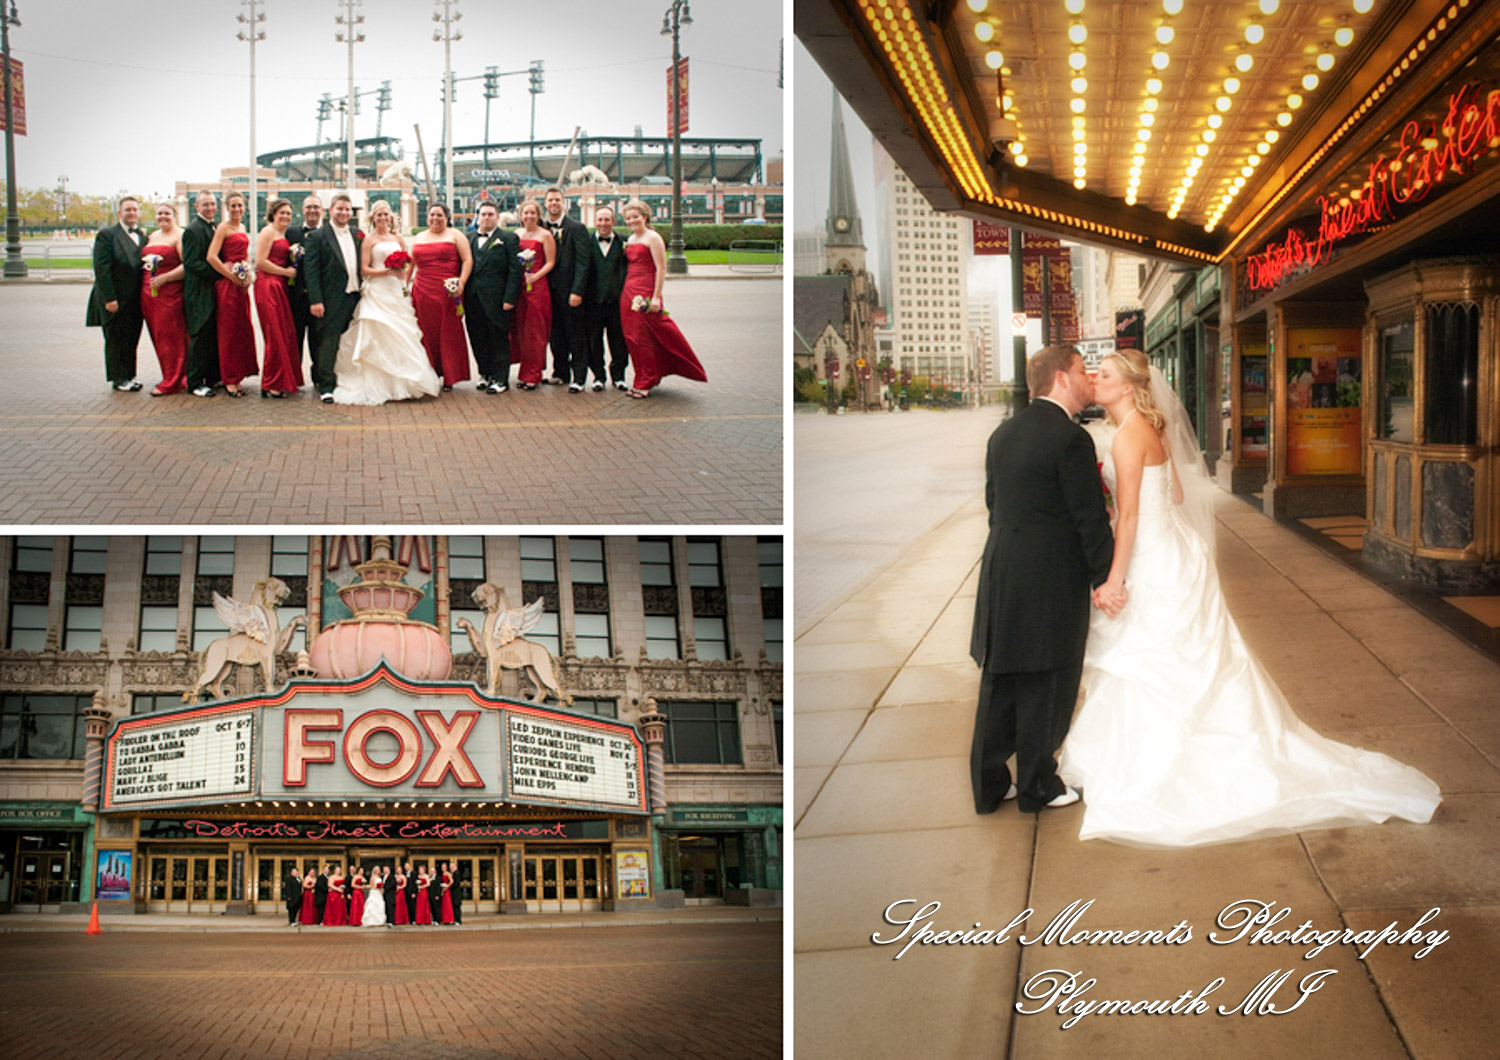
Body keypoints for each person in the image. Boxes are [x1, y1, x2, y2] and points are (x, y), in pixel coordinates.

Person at [1057, 348, 1442, 846]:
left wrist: (1114, 579)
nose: (1096, 378)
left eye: (1105, 373)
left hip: (1152, 558)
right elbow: (1175, 496)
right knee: (1185, 657)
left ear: (1128, 386)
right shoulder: (1150, 428)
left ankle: (1150, 767)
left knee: (1151, 658)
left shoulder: (1129, 436)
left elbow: (1130, 517)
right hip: (1178, 552)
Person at [969, 345, 1115, 815]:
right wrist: (1106, 577)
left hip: (1002, 569)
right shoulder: (1070, 439)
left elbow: (995, 505)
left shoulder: (1002, 434)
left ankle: (989, 786)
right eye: (1082, 371)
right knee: (1047, 682)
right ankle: (1037, 786)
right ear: (1061, 379)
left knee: (1000, 679)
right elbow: (1089, 519)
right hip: (1050, 577)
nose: (1088, 379)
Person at [331, 199, 442, 405]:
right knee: (377, 333)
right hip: (377, 291)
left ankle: (404, 382)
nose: (383, 218)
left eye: (385, 214)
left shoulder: (398, 238)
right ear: (373, 218)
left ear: (390, 217)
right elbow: (364, 269)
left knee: (401, 333)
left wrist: (402, 272)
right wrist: (387, 272)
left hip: (395, 291)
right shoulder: (369, 240)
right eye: (379, 215)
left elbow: (407, 262)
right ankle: (380, 383)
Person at [618, 200, 707, 398]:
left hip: (646, 290)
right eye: (628, 218)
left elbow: (661, 268)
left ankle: (646, 381)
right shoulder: (631, 239)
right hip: (628, 291)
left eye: (635, 217)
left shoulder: (653, 237)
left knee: (644, 337)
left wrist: (656, 297)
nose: (632, 221)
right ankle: (643, 377)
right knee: (632, 338)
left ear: (645, 217)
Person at [304, 192, 364, 403]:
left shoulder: (357, 234)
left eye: (347, 209)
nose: (344, 213)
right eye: (340, 209)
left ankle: (347, 379)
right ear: (331, 210)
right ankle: (326, 386)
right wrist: (316, 300)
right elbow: (311, 272)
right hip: (330, 299)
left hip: (355, 297)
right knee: (328, 342)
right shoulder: (317, 236)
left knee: (351, 341)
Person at [409, 203, 474, 391]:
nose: (435, 218)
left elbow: (467, 260)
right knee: (425, 331)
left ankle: (449, 375)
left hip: (448, 292)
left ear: (447, 217)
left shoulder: (456, 235)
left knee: (448, 332)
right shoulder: (419, 237)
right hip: (422, 291)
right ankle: (430, 373)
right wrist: (403, 288)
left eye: (439, 215)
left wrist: (461, 282)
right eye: (432, 215)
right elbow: (411, 265)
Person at [86, 196, 146, 391]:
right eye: (128, 209)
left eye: (135, 209)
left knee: (131, 339)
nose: (132, 213)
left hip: (134, 300)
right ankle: (118, 379)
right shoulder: (107, 235)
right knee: (115, 340)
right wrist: (109, 298)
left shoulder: (142, 236)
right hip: (115, 299)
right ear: (120, 213)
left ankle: (130, 375)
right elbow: (101, 269)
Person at [464, 201, 523, 393]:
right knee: (477, 337)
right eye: (483, 214)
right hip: (472, 297)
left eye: (490, 214)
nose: (486, 218)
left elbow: (515, 270)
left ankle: (500, 379)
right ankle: (485, 373)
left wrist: (510, 298)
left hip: (497, 298)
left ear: (497, 217)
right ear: (478, 216)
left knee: (498, 338)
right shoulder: (468, 238)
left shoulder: (508, 238)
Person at [205, 190, 259, 396]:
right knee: (227, 332)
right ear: (226, 208)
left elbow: (244, 255)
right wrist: (230, 275)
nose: (237, 209)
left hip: (241, 285)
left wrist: (247, 274)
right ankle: (229, 379)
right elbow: (211, 257)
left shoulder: (242, 227)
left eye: (240, 205)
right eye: (233, 205)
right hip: (227, 286)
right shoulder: (223, 228)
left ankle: (238, 375)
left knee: (240, 329)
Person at [540, 187, 592, 389]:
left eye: (557, 200)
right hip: (548, 292)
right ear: (545, 203)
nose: (554, 203)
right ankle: (560, 373)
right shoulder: (541, 228)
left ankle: (579, 377)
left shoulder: (576, 228)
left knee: (576, 334)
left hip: (570, 291)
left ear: (564, 202)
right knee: (556, 335)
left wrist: (577, 291)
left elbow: (583, 262)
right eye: (550, 200)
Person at [253, 198, 304, 399]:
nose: (285, 216)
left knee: (283, 333)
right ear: (273, 214)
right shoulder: (267, 232)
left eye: (288, 213)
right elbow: (260, 262)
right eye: (281, 212)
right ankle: (270, 383)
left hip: (280, 287)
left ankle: (281, 379)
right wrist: (286, 272)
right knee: (273, 334)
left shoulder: (285, 234)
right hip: (267, 285)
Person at [138, 202, 189, 396]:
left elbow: (187, 265)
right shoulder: (152, 236)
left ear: (175, 215)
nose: (163, 217)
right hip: (148, 294)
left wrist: (165, 278)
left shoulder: (180, 235)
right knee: (158, 337)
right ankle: (168, 373)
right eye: (159, 213)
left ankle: (174, 380)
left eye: (167, 213)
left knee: (172, 337)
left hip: (170, 294)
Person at [581, 206, 629, 392]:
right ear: (595, 222)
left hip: (617, 302)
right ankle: (598, 376)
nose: (603, 223)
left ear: (613, 222)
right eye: (600, 220)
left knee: (619, 341)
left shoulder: (625, 242)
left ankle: (619, 376)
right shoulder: (586, 242)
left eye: (607, 219)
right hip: (592, 302)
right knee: (594, 341)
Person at [510, 199, 556, 390]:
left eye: (533, 213)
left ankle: (534, 374)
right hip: (519, 287)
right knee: (521, 331)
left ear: (538, 215)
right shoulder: (516, 234)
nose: (529, 216)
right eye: (526, 213)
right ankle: (524, 372)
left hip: (537, 287)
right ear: (520, 215)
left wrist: (535, 276)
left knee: (536, 332)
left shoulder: (545, 235)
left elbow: (551, 262)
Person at [180, 191, 222, 397]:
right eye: (205, 204)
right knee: (199, 338)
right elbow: (191, 263)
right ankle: (195, 383)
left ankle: (211, 378)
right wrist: (220, 273)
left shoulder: (214, 226)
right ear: (196, 207)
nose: (210, 208)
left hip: (212, 292)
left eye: (212, 204)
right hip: (198, 293)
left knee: (210, 337)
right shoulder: (193, 230)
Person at [285, 195, 323, 363]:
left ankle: (318, 376)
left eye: (316, 207)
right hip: (295, 297)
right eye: (308, 207)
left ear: (322, 210)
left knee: (319, 346)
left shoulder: (328, 234)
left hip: (320, 299)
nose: (312, 210)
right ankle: (294, 376)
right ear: (303, 210)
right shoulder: (290, 233)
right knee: (294, 344)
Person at [446, 860, 463, 926]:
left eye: (452, 866)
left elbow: (456, 883)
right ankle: (455, 919)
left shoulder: (456, 873)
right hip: (453, 893)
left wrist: (449, 887)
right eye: (450, 866)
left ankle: (458, 920)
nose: (451, 867)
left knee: (456, 907)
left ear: (454, 866)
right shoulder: (452, 873)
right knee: (454, 906)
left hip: (456, 893)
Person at [383, 860, 399, 927]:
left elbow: (392, 884)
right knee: (386, 908)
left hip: (390, 894)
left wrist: (384, 889)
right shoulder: (383, 876)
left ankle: (391, 921)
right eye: (384, 869)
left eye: (386, 869)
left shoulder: (392, 876)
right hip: (385, 895)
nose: (384, 870)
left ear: (388, 870)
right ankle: (388, 920)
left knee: (390, 908)